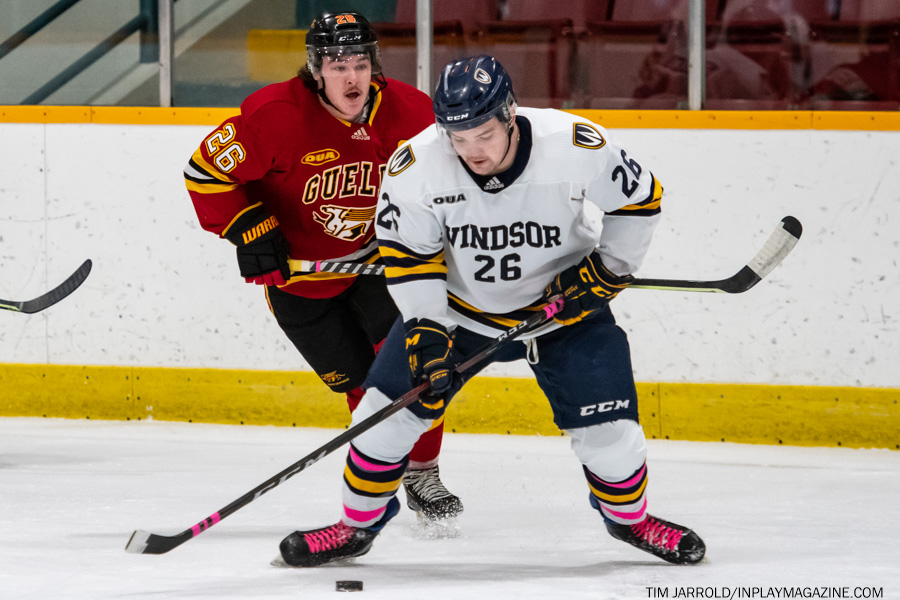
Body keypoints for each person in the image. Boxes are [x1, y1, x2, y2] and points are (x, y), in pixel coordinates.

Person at [276, 55, 706, 567]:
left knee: (611, 435)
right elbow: (408, 257)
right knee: (381, 418)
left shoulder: (573, 144)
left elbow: (638, 202)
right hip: (460, 312)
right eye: (458, 138)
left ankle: (632, 521)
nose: (472, 151)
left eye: (483, 134)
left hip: (563, 311)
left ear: (509, 114)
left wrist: (608, 272)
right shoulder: (416, 167)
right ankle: (355, 528)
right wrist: (427, 329)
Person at [183, 11, 462, 521]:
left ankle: (423, 475)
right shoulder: (274, 115)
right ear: (316, 71)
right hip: (302, 282)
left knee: (415, 366)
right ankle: (381, 477)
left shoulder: (412, 112)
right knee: (359, 386)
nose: (351, 77)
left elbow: (450, 182)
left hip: (379, 266)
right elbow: (203, 171)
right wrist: (246, 224)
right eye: (337, 66)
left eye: (360, 63)